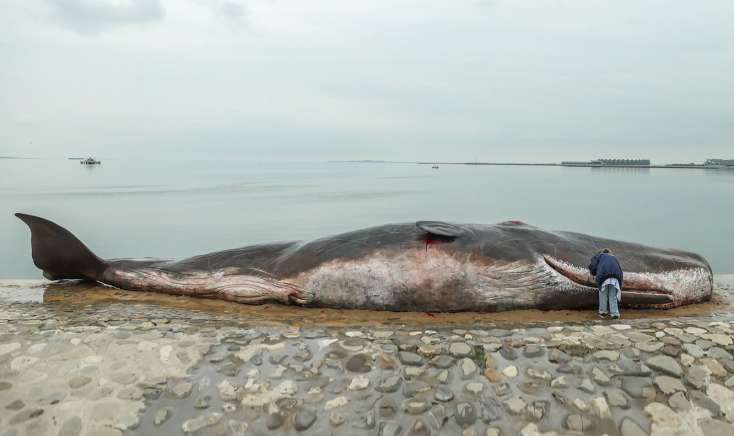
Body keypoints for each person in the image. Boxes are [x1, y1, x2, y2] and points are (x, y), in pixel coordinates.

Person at [588, 248, 624, 319]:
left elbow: (593, 264)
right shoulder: (614, 258)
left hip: (604, 276)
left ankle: (603, 312)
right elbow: (619, 269)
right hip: (616, 277)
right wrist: (620, 283)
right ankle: (615, 314)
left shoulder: (600, 255)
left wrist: (592, 273)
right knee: (612, 295)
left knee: (603, 294)